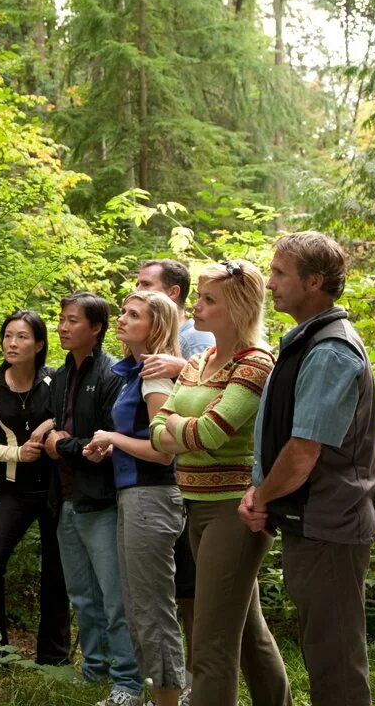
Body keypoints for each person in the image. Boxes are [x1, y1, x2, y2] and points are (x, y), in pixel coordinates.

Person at [240, 232, 375, 706]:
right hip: (313, 521)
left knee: (336, 662)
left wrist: (260, 496)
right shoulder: (306, 341)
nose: (271, 283)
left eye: (280, 273)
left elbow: (303, 453)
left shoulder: (329, 351)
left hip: (331, 525)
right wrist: (261, 488)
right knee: (325, 650)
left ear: (314, 281)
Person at [149, 261, 291, 706]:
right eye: (201, 297)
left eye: (210, 299)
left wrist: (177, 427)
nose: (197, 305)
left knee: (210, 643)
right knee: (249, 634)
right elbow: (157, 432)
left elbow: (211, 435)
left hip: (234, 511)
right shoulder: (198, 361)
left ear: (238, 308)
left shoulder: (256, 363)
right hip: (195, 504)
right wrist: (179, 429)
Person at [86, 291, 186, 706]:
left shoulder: (156, 376)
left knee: (151, 607)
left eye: (133, 315)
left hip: (153, 497)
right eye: (123, 312)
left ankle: (170, 697)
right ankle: (163, 693)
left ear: (156, 326)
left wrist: (112, 437)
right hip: (134, 496)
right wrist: (114, 446)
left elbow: (164, 450)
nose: (121, 320)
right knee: (138, 603)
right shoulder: (135, 373)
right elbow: (143, 437)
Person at [41, 293, 140, 706]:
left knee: (114, 597)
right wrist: (52, 439)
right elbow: (57, 431)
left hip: (100, 501)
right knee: (81, 593)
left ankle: (129, 681)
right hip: (65, 499)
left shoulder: (111, 374)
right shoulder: (61, 374)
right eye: (61, 320)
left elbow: (105, 445)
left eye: (73, 321)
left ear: (95, 328)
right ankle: (94, 667)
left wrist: (59, 445)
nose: (63, 327)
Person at [0, 310, 71, 666]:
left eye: (22, 336)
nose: (13, 343)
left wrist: (46, 426)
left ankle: (53, 659)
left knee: (57, 570)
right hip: (15, 490)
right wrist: (16, 453)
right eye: (8, 335)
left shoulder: (56, 380)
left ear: (39, 344)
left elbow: (74, 416)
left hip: (57, 490)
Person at [136, 258, 212, 685]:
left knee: (193, 588)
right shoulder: (150, 342)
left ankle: (200, 678)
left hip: (193, 474)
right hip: (170, 477)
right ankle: (179, 676)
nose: (138, 289)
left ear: (173, 293)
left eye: (147, 284)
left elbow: (223, 385)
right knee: (178, 586)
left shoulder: (196, 337)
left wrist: (179, 366)